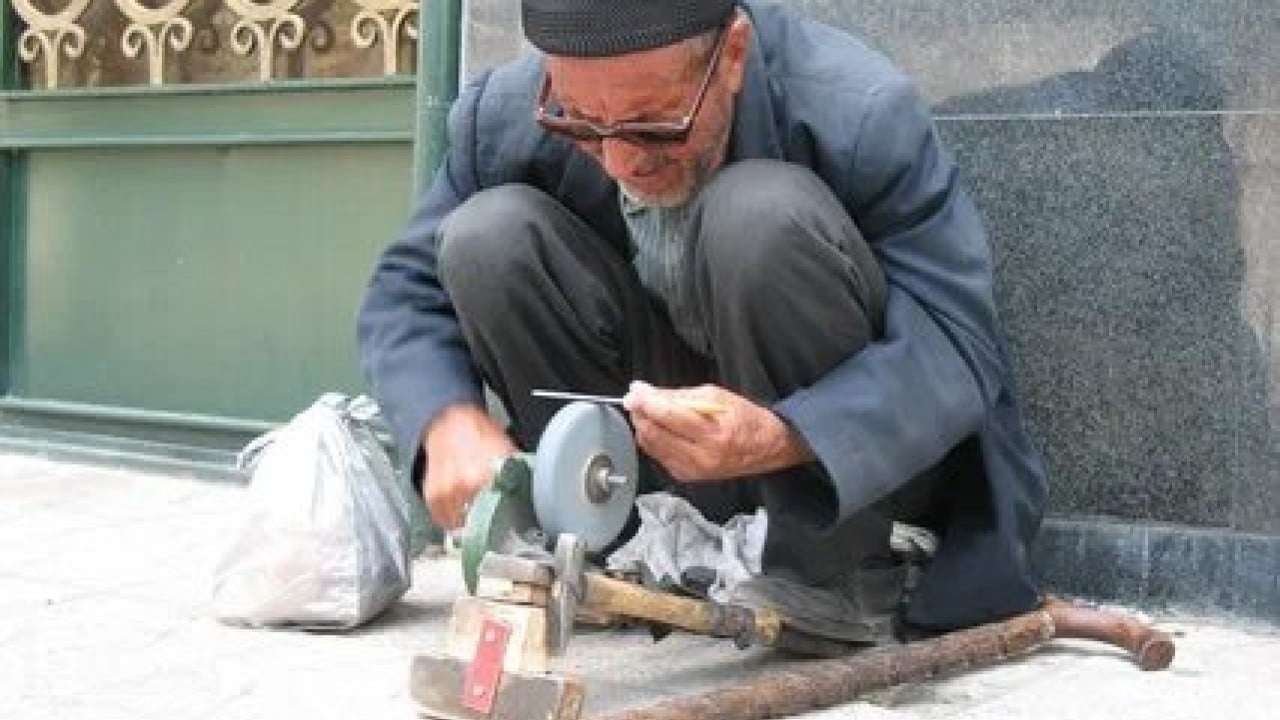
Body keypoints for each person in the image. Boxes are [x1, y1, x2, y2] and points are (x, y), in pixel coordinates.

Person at [357, 0, 1048, 638]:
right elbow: (405, 289)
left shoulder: (858, 111)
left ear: (733, 53)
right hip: (647, 458)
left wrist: (787, 434)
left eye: (654, 124)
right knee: (485, 236)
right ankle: (602, 546)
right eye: (582, 125)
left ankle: (831, 575)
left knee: (759, 217)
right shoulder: (508, 113)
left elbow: (957, 342)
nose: (621, 160)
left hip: (838, 470)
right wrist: (447, 420)